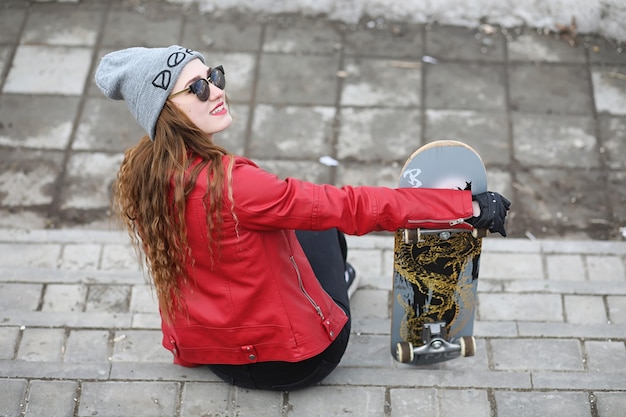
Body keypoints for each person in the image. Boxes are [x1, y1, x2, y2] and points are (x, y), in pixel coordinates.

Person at [95, 45, 510, 391]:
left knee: (282, 222)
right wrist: (462, 208)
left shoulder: (141, 172)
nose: (217, 91)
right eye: (198, 88)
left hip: (216, 354)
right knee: (323, 223)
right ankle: (339, 286)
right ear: (164, 111)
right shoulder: (235, 186)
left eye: (215, 76)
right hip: (295, 362)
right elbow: (351, 206)